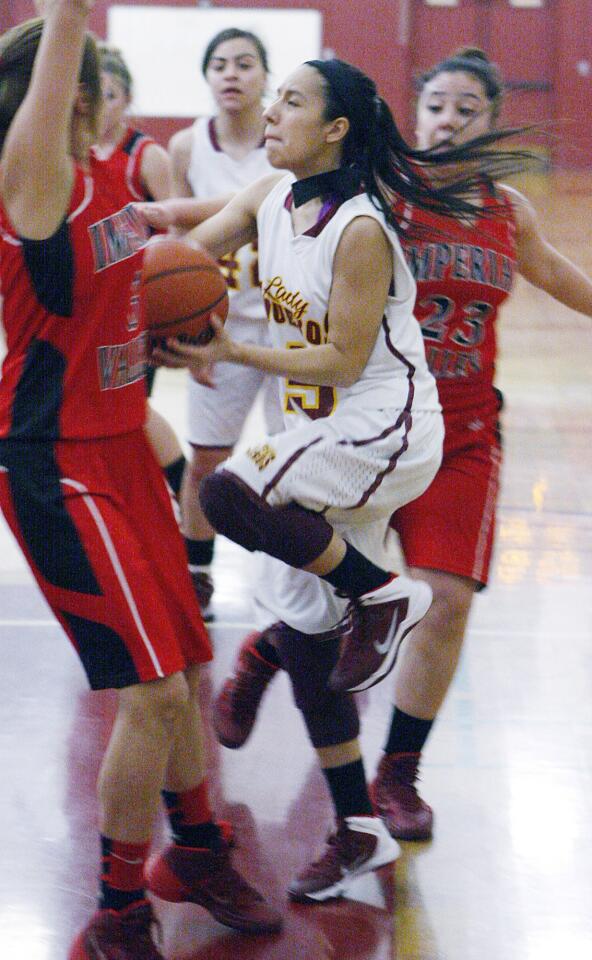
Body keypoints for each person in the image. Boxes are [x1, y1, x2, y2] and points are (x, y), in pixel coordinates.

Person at [151, 56, 536, 898]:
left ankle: (384, 594)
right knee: (304, 637)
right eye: (274, 96)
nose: (273, 110)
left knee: (224, 493)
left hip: (384, 426)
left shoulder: (361, 225)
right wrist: (128, 254)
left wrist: (224, 349)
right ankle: (360, 829)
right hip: (316, 432)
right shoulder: (265, 197)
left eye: (292, 99)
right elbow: (182, 251)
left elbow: (341, 355)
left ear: (335, 129)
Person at [210, 48, 592, 855]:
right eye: (438, 107)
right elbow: (262, 201)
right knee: (328, 596)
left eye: (468, 110)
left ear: (490, 123)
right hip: (358, 420)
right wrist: (181, 227)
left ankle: (400, 773)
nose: (450, 121)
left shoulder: (505, 209)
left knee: (445, 600)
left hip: (462, 434)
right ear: (411, 118)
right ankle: (268, 651)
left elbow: (559, 276)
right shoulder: (372, 195)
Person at [0, 9, 282, 960]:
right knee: (154, 694)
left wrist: (157, 339)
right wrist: (71, 20)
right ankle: (118, 909)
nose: (109, 85)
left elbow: (123, 286)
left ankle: (196, 847)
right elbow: (66, 36)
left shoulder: (98, 181)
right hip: (56, 464)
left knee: (191, 663)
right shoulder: (34, 179)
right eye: (91, 74)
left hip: (121, 440)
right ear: (69, 90)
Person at [168, 28, 283, 619]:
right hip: (218, 326)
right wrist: (190, 330)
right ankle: (197, 574)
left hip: (293, 329)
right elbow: (180, 250)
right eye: (220, 64)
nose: (232, 74)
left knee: (300, 458)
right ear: (207, 77)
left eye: (245, 63)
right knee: (206, 460)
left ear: (267, 75)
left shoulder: (288, 139)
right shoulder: (188, 148)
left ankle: (296, 579)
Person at [95, 42, 187, 500]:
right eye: (94, 94)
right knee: (108, 409)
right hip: (93, 301)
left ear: (127, 99)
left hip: (137, 301)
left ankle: (182, 487)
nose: (100, 105)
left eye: (110, 95)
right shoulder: (75, 151)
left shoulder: (145, 154)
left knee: (132, 407)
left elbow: (174, 228)